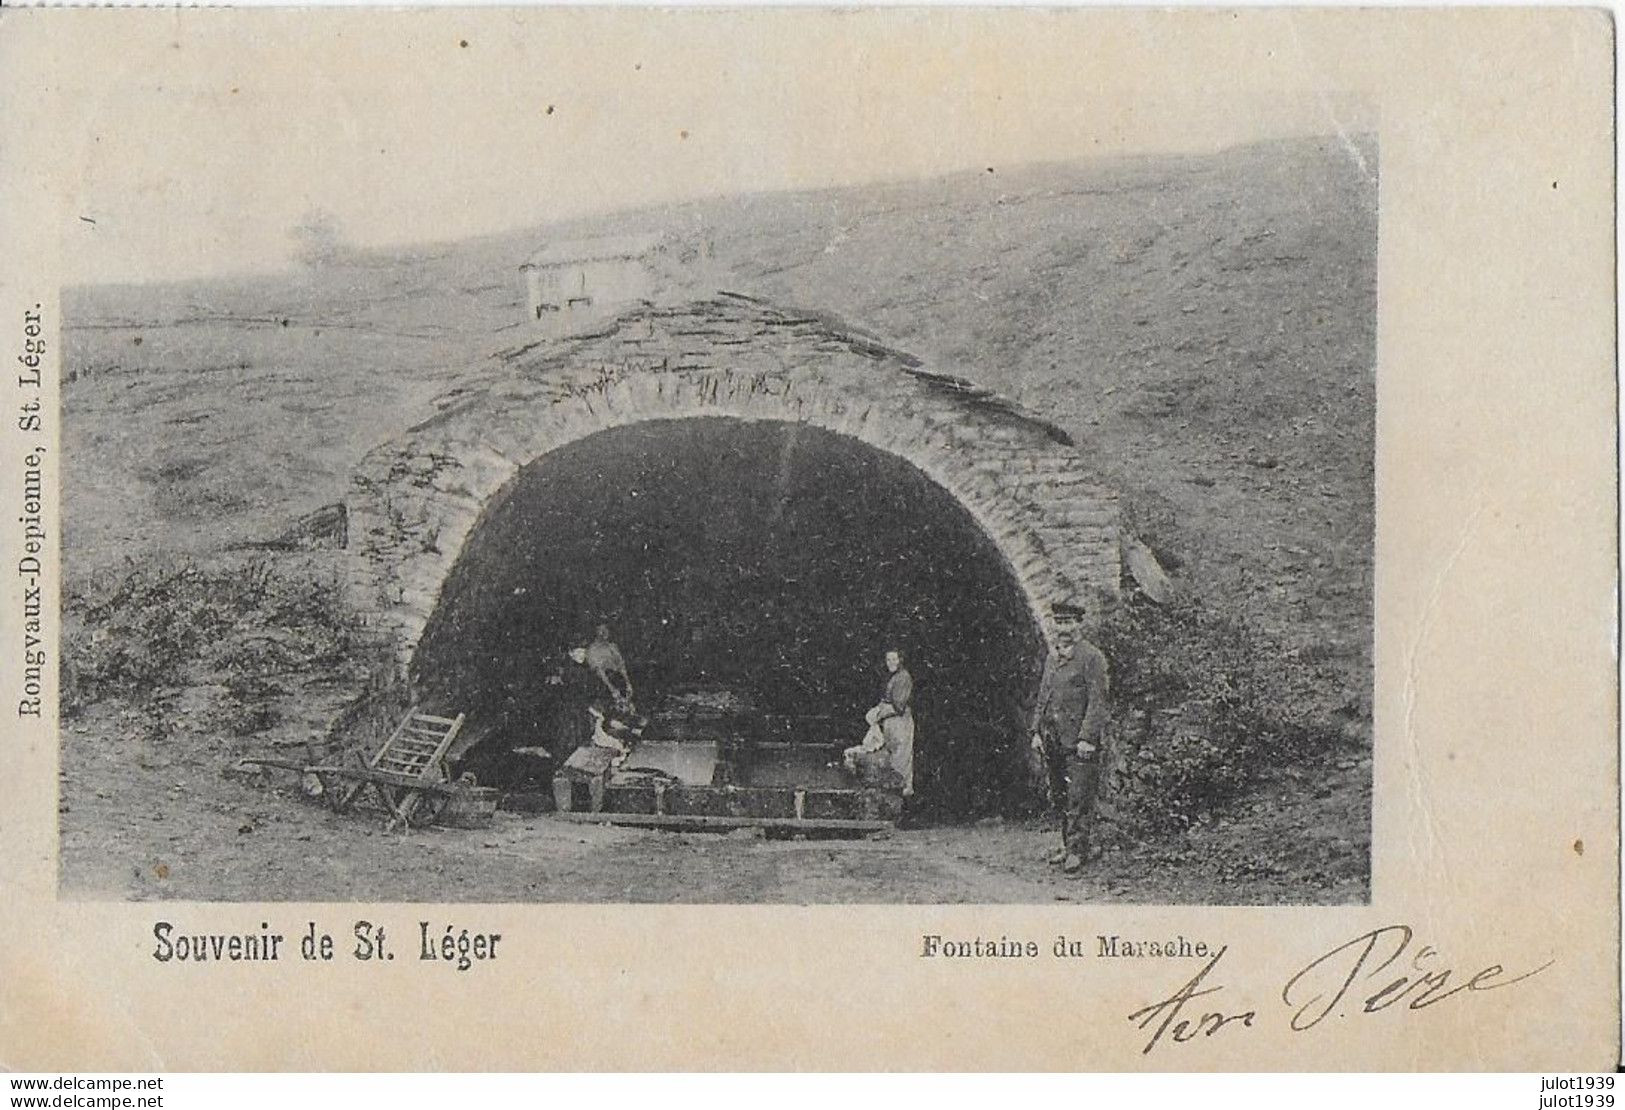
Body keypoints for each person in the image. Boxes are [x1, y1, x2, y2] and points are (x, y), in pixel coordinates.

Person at [1030, 638, 1110, 874]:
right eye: (1059, 622)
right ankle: (1067, 845)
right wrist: (1036, 730)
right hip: (1054, 738)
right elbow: (1043, 696)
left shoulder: (1091, 657)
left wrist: (1088, 737)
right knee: (1060, 794)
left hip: (1078, 741)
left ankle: (1078, 850)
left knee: (1079, 794)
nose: (1063, 629)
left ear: (1078, 626)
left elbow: (1097, 700)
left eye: (1069, 623)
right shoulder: (1052, 657)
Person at [842, 648, 916, 797]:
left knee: (900, 759)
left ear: (901, 660)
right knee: (891, 758)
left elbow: (898, 706)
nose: (891, 663)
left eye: (894, 659)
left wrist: (879, 713)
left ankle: (902, 795)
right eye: (888, 660)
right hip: (890, 723)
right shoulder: (893, 677)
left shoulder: (903, 677)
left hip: (900, 724)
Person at [585, 623, 637, 715]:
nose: (605, 633)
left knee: (629, 709)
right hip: (604, 684)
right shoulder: (592, 650)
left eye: (606, 630)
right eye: (602, 630)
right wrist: (612, 689)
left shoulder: (612, 646)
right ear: (596, 632)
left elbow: (621, 665)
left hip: (618, 680)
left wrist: (628, 683)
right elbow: (599, 671)